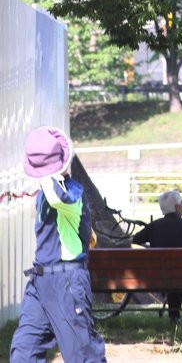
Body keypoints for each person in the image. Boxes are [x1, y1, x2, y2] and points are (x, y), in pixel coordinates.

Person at [10, 126, 107, 363]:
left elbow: (56, 193)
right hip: (39, 281)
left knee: (82, 356)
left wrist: (45, 171)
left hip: (66, 283)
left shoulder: (69, 191)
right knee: (23, 350)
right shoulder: (46, 192)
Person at [131, 190, 182, 322]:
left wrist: (151, 246)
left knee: (171, 273)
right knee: (180, 271)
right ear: (178, 207)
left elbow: (135, 239)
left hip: (160, 276)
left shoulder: (154, 226)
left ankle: (175, 316)